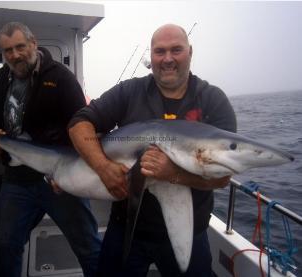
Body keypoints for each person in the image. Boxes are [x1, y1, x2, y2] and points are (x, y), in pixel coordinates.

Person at [68, 23, 237, 276]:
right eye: (160, 51)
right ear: (151, 55)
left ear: (190, 52)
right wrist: (103, 167)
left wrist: (172, 174)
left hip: (189, 229)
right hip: (126, 225)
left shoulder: (212, 100)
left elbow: (223, 178)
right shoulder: (130, 91)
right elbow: (79, 123)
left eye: (176, 50)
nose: (167, 59)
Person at [0, 22, 101, 277]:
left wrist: (70, 175)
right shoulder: (2, 77)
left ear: (33, 43)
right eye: (7, 50)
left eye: (19, 47)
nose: (14, 55)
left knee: (88, 247)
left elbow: (82, 128)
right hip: (17, 178)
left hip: (59, 179)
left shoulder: (60, 77)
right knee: (5, 245)